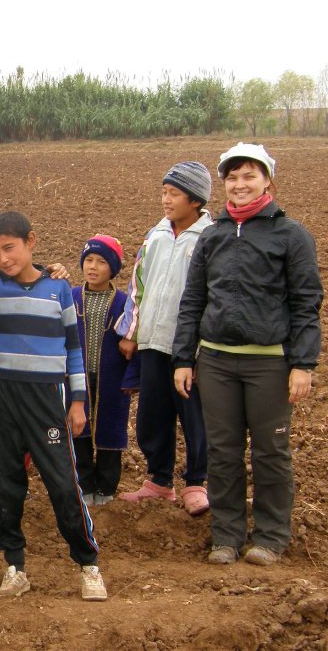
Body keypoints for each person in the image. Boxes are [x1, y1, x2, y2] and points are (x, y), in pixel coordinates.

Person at [173, 143, 322, 566]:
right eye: (232, 177)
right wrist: (184, 358)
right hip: (216, 361)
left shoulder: (290, 235)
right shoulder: (214, 235)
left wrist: (303, 364)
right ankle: (226, 535)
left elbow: (306, 303)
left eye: (248, 176)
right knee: (222, 451)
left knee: (271, 452)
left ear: (267, 180)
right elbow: (194, 300)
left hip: (269, 363)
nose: (239, 185)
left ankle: (271, 537)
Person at [0, 211, 106, 602]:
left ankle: (89, 565)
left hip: (48, 397)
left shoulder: (58, 288)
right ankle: (15, 567)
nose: (3, 258)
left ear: (31, 241)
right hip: (1, 396)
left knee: (64, 483)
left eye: (10, 248)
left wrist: (79, 401)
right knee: (4, 484)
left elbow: (73, 347)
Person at [115, 161, 212, 517]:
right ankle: (158, 481)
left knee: (194, 416)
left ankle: (197, 482)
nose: (165, 200)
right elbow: (138, 287)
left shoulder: (208, 238)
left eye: (174, 193)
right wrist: (132, 333)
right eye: (164, 192)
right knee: (153, 413)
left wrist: (202, 348)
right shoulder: (156, 235)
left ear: (195, 199)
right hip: (153, 343)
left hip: (190, 348)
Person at [72, 235, 139, 506]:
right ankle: (83, 482)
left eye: (101, 261)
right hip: (78, 376)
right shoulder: (72, 297)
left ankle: (107, 486)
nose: (93, 267)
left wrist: (132, 375)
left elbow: (135, 340)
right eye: (89, 260)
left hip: (112, 377)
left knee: (111, 429)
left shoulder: (124, 302)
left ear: (113, 268)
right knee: (80, 428)